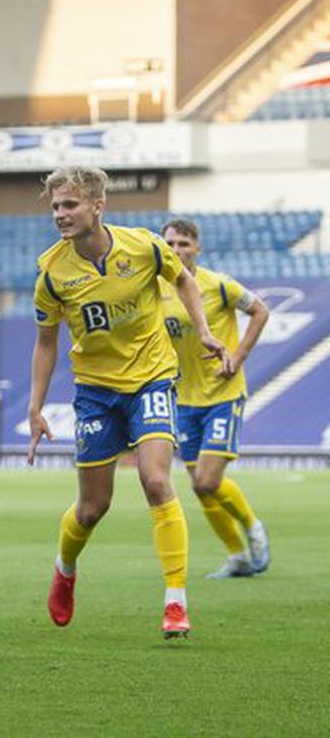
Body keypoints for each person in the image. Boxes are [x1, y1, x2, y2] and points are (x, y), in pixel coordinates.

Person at [27, 166, 229, 640]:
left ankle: (176, 603)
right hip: (95, 392)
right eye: (56, 206)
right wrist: (35, 407)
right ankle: (65, 567)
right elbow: (45, 343)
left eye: (70, 204)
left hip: (152, 380)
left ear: (98, 206)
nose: (60, 214)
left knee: (156, 480)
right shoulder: (52, 272)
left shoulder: (143, 246)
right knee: (93, 507)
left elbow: (184, 280)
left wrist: (202, 329)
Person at [161, 218, 271, 578]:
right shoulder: (156, 289)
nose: (177, 251)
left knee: (207, 481)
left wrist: (237, 357)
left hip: (223, 394)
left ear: (197, 248)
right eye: (171, 245)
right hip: (184, 400)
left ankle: (253, 527)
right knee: (200, 488)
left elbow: (260, 310)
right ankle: (237, 556)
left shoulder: (217, 285)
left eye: (184, 244)